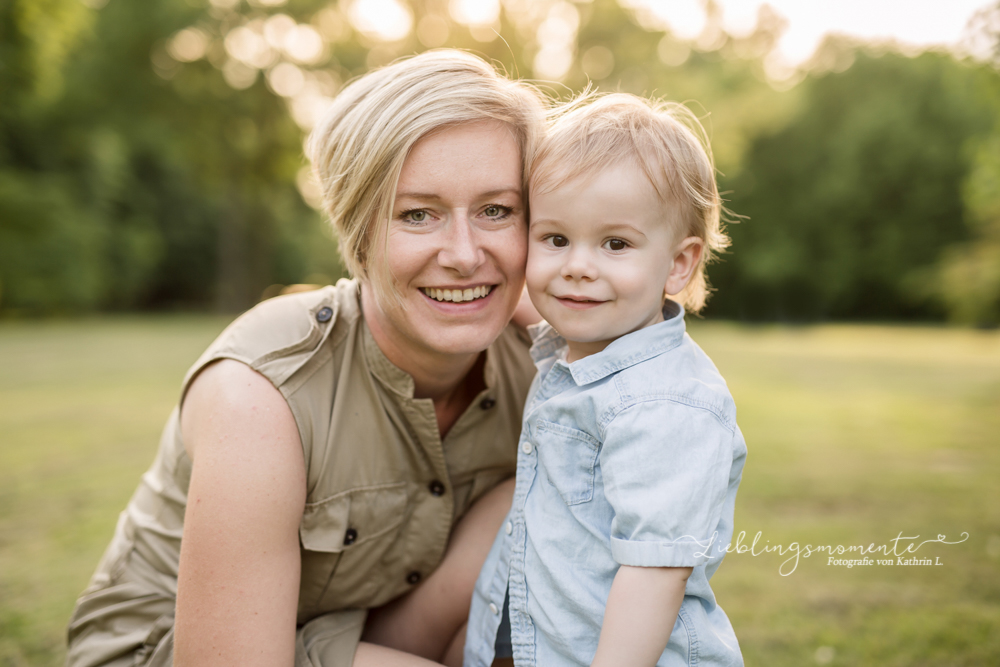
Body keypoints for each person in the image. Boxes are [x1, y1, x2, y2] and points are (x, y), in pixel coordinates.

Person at [66, 50, 545, 667]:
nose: (463, 253)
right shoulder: (262, 392)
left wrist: (568, 318)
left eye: (496, 211)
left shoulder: (545, 365)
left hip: (364, 636)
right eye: (417, 214)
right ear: (358, 233)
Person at [463, 93, 748, 667]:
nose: (577, 266)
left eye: (615, 244)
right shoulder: (583, 357)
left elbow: (653, 574)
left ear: (678, 264)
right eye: (556, 239)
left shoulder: (667, 404)